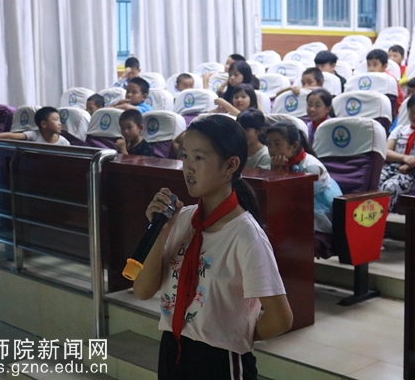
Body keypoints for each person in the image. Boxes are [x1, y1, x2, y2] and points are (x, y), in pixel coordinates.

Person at [132, 115, 293, 379]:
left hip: (220, 359)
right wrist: (161, 230)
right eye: (185, 156)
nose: (188, 167)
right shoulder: (182, 220)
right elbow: (142, 290)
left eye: (199, 157)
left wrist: (234, 334)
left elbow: (280, 318)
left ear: (231, 165)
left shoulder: (246, 235)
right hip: (172, 347)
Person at [266, 121, 342, 258]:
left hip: (316, 217)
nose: (272, 150)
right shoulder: (278, 163)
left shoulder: (311, 167)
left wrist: (275, 173)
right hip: (294, 213)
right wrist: (274, 170)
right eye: (269, 145)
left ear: (294, 146)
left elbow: (295, 198)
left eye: (277, 144)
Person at [0, 106, 70, 146]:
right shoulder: (34, 135)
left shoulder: (64, 142)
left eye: (59, 120)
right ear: (43, 124)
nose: (60, 123)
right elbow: (9, 136)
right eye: (56, 119)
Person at [366, 49, 404, 113]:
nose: (371, 68)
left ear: (384, 66)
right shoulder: (365, 78)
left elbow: (398, 101)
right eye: (369, 65)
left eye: (375, 65)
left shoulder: (390, 80)